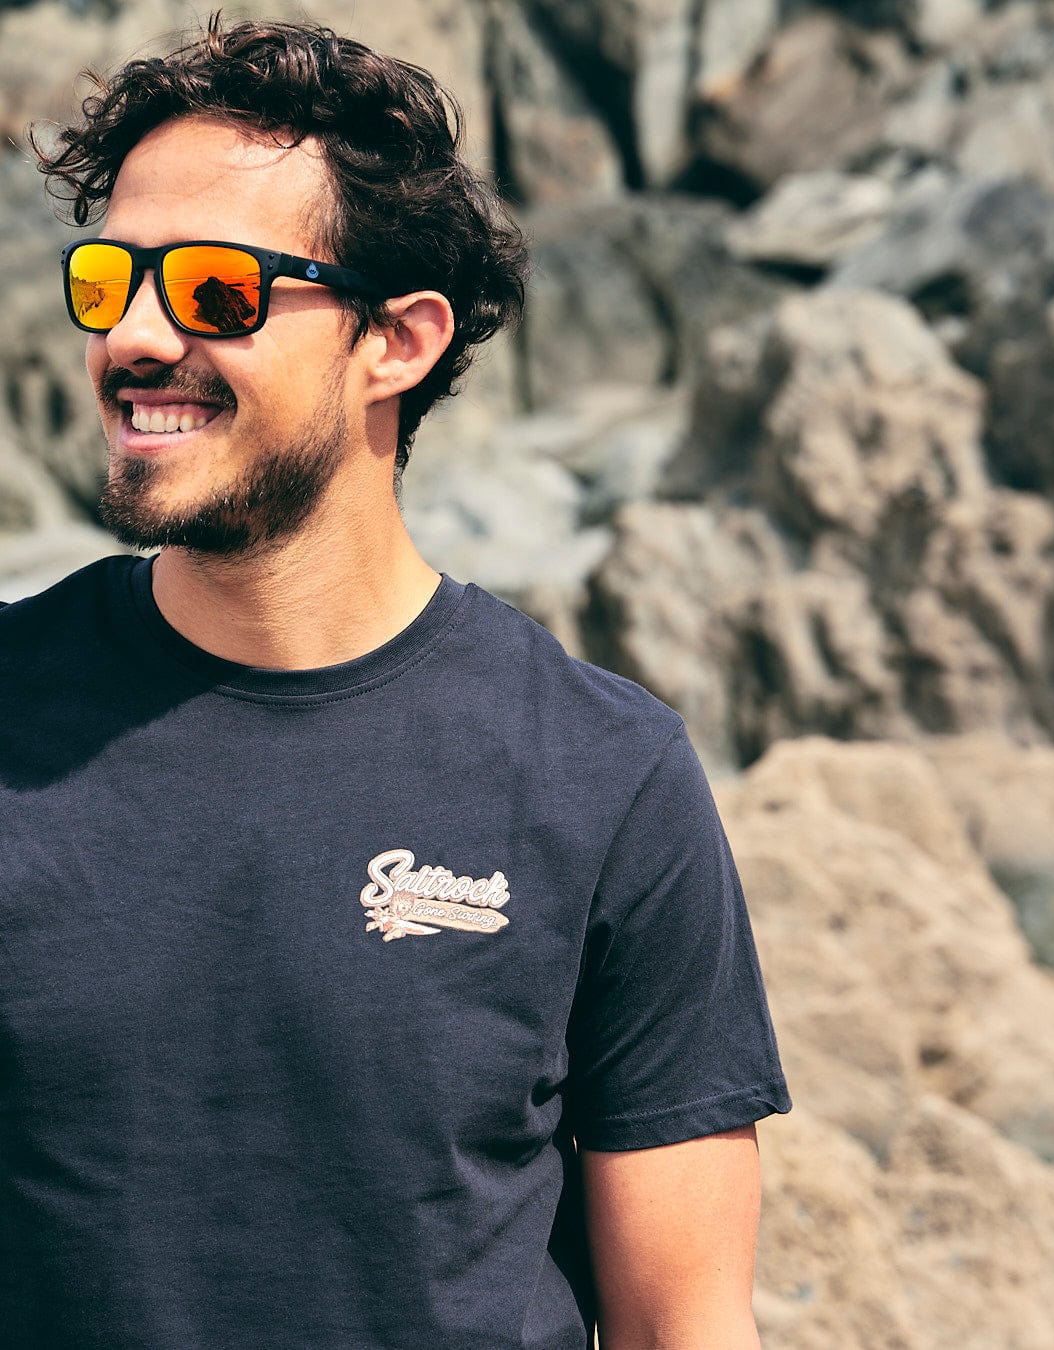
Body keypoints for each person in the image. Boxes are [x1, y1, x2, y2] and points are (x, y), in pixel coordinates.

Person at [0, 17, 790, 1349]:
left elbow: (684, 1327)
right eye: (107, 280)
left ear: (399, 340)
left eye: (211, 291)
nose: (132, 337)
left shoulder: (603, 775)